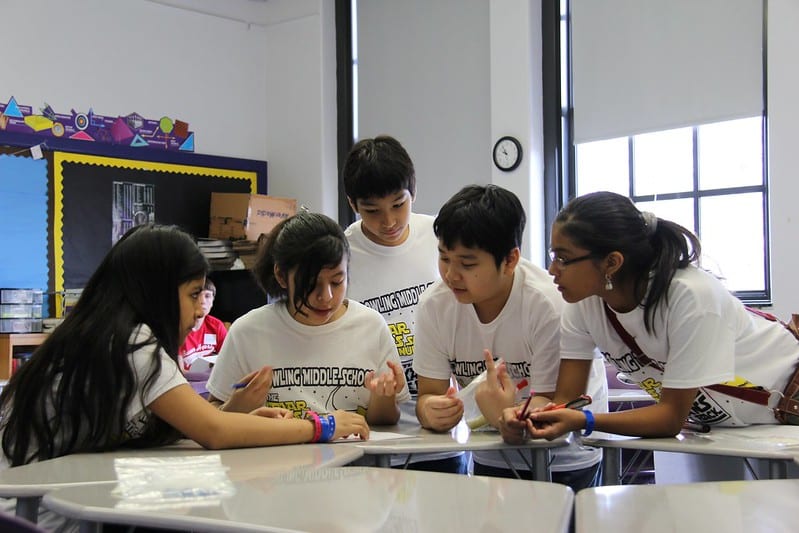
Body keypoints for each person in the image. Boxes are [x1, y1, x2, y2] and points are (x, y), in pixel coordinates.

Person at [499, 190, 799, 448]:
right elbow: (566, 399)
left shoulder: (691, 297)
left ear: (612, 262)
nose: (552, 270)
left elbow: (670, 418)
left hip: (788, 407)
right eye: (553, 256)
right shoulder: (582, 305)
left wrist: (585, 420)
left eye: (563, 258)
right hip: (733, 429)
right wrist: (525, 415)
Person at [412, 184, 607, 490]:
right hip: (492, 452)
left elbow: (553, 407)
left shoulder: (548, 304)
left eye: (467, 263)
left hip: (565, 456)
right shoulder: (434, 306)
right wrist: (431, 411)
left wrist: (506, 415)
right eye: (444, 258)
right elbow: (428, 394)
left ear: (511, 260)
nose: (450, 275)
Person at [206, 211, 410, 425]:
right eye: (311, 284)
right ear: (282, 276)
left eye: (337, 282)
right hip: (278, 459)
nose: (326, 297)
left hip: (355, 458)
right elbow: (211, 416)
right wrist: (238, 406)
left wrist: (382, 397)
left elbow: (386, 422)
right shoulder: (248, 332)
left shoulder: (370, 326)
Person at [342, 134, 466, 472]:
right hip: (373, 436)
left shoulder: (442, 239)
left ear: (414, 192)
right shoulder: (342, 255)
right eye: (372, 211)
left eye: (399, 204)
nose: (390, 221)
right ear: (353, 204)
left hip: (442, 433)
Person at [179, 278, 227, 372]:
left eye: (207, 296)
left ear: (213, 302)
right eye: (196, 296)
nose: (202, 301)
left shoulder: (217, 326)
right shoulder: (178, 329)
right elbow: (180, 371)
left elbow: (229, 359)